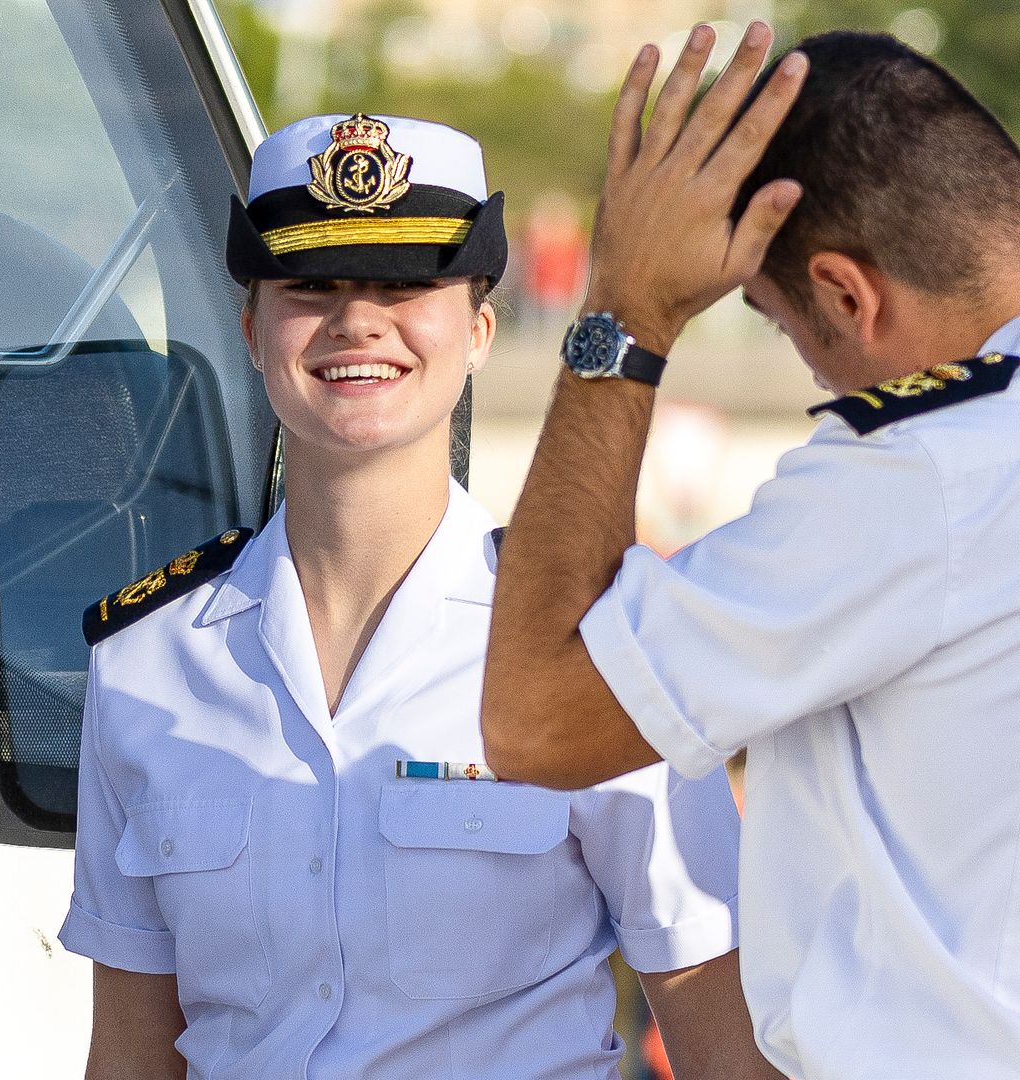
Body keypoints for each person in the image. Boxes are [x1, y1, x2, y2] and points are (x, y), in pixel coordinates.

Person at [58, 112, 778, 1079]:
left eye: (404, 285)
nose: (357, 322)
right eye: (310, 286)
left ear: (479, 329)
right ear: (252, 326)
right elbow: (132, 1054)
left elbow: (724, 1043)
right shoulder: (146, 660)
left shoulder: (598, 645)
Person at [481, 19, 1020, 1080]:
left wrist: (624, 312)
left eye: (784, 325)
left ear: (846, 294)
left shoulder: (924, 472)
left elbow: (533, 723)